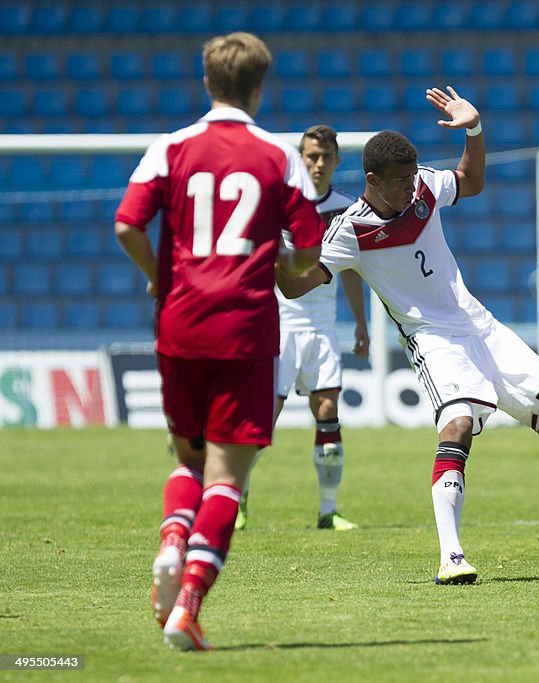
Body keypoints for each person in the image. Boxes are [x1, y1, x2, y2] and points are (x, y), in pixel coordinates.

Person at [276, 86, 539, 583]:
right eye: (398, 181)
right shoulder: (348, 233)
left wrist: (473, 129)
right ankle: (452, 557)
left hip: (479, 324)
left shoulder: (422, 186)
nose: (409, 187)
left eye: (411, 177)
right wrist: (272, 250)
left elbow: (471, 180)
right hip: (432, 339)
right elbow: (294, 287)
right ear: (372, 180)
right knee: (459, 425)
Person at [114, 32, 324, 650]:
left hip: (179, 323)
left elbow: (127, 223)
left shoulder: (170, 146)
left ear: (207, 83)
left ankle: (173, 540)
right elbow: (307, 246)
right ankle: (189, 604)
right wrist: (285, 268)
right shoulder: (277, 154)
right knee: (228, 474)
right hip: (245, 326)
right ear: (259, 88)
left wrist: (160, 278)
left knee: (186, 461)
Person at [235, 124, 369, 532]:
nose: (319, 163)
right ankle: (235, 498)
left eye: (326, 156)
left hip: (324, 325)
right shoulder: (278, 205)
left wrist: (361, 323)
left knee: (328, 411)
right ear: (300, 157)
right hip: (279, 324)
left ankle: (329, 510)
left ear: (337, 161)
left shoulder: (348, 208)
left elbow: (349, 271)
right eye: (312, 156)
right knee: (263, 420)